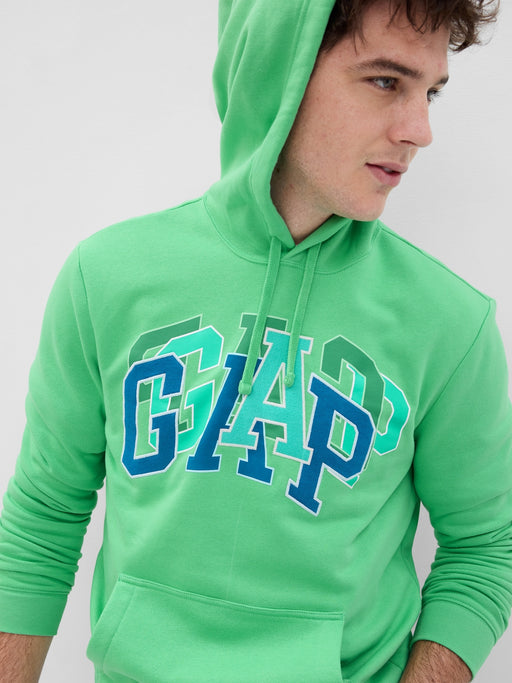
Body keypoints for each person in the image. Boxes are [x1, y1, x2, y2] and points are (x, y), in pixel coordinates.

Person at [0, 0, 511, 681]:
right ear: (280, 70)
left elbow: (486, 548)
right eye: (386, 81)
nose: (419, 130)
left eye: (431, 92)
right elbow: (44, 517)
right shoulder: (109, 277)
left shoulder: (449, 322)